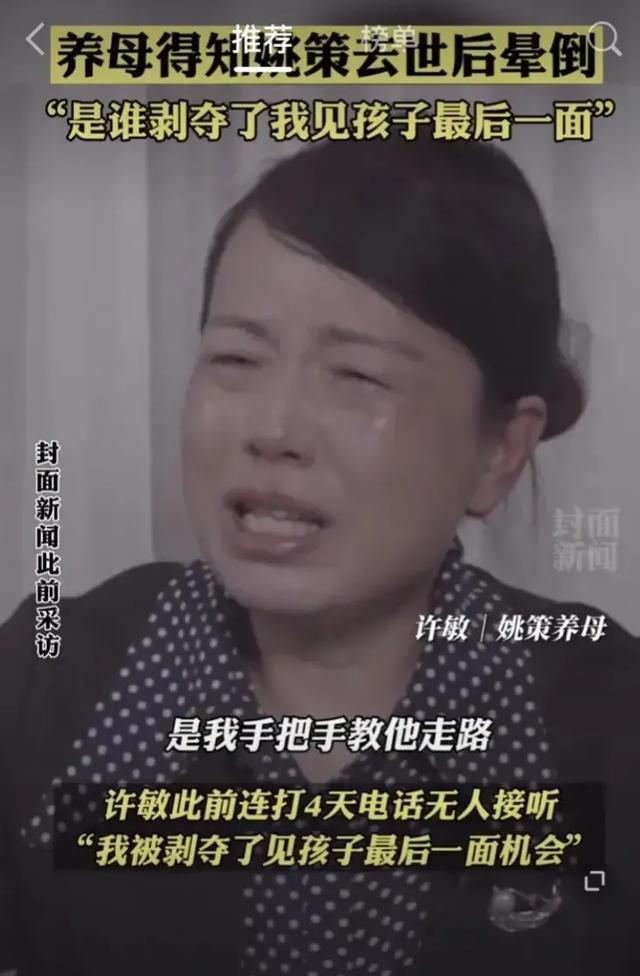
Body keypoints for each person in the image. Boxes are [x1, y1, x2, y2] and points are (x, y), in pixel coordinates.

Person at [0, 135, 638, 976]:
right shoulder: (45, 683)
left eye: (358, 376)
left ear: (499, 451)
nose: (273, 428)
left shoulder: (609, 726)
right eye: (236, 358)